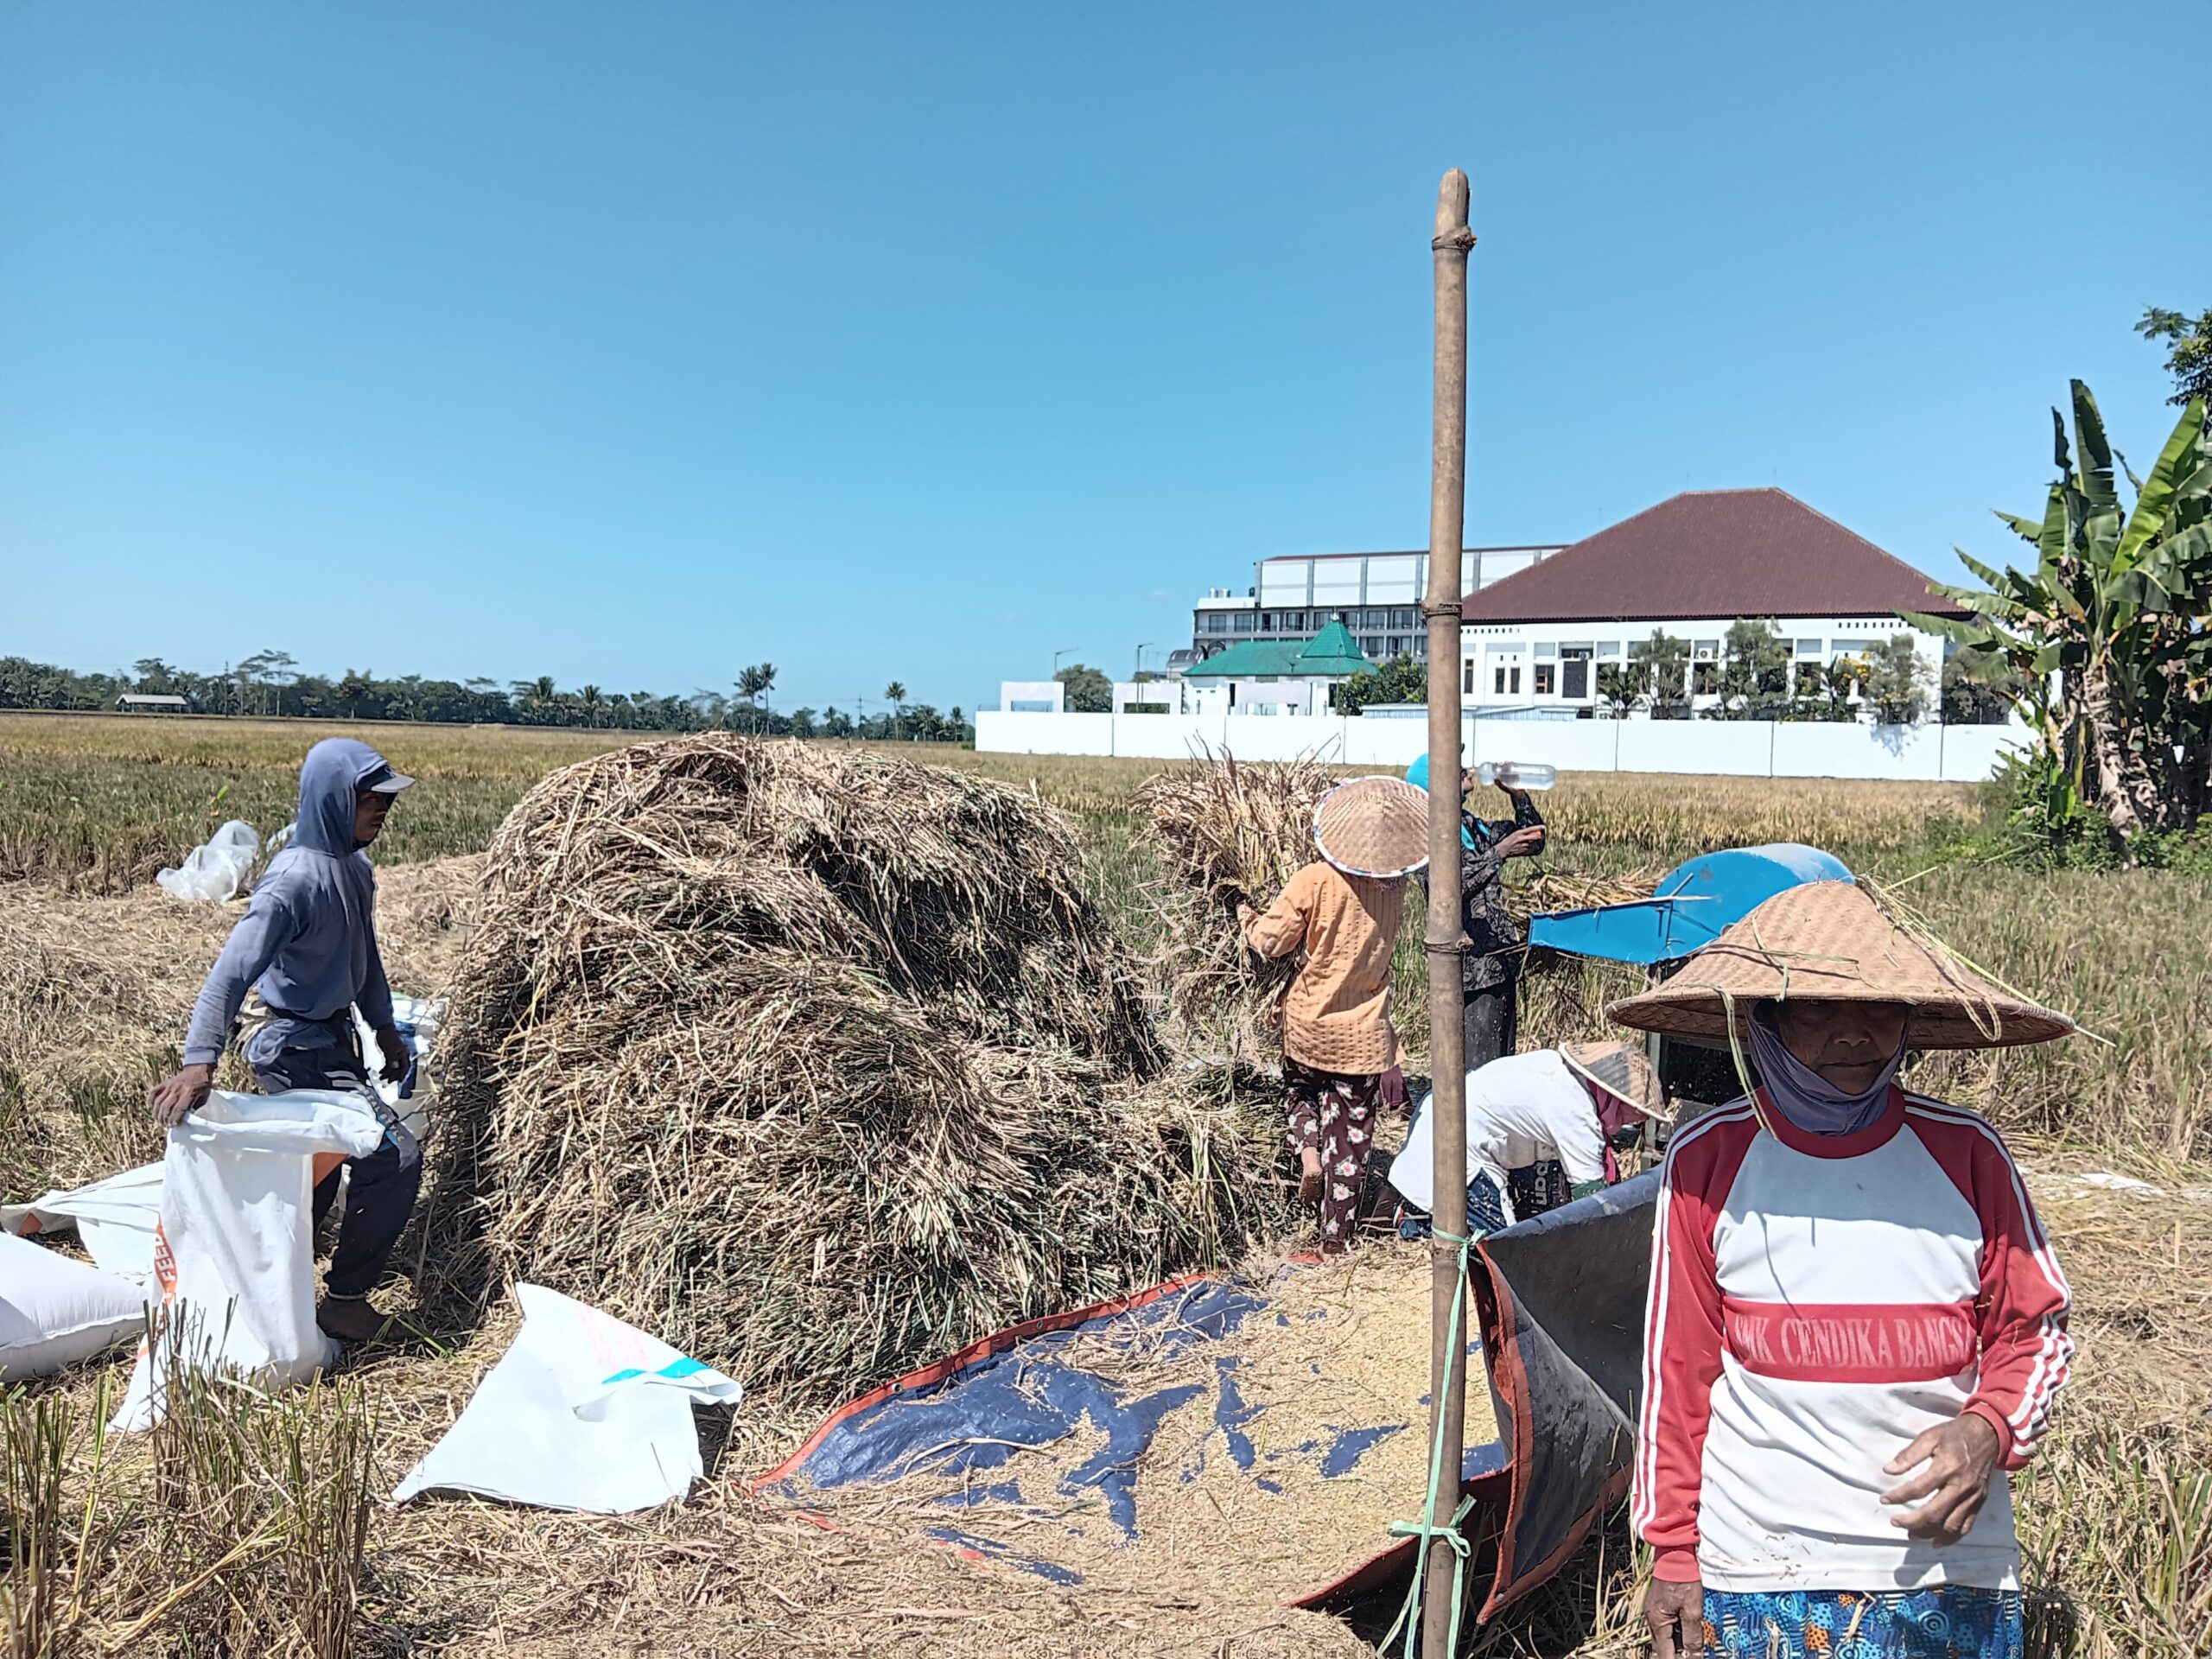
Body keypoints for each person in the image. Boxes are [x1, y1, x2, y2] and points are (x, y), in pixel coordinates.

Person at [1609, 880, 2074, 1659]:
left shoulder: (1966, 1153)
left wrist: (1988, 1430)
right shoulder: (1710, 1158)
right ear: (1764, 1020)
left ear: (1911, 1020)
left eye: (1877, 1007)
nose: (1854, 1034)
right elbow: (1676, 1370)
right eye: (1817, 1008)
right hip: (1760, 1567)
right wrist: (1676, 1552)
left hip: (1943, 1568)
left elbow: (2037, 1332)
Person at [149, 738, 421, 1345]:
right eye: (371, 799)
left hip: (333, 1037)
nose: (383, 810)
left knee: (316, 1167)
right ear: (333, 799)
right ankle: (345, 1301)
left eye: (387, 800)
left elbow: (365, 956)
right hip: (290, 1042)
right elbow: (230, 972)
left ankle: (278, 1286)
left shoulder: (355, 869)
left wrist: (381, 1026)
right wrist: (199, 1062)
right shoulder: (291, 883)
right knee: (393, 1156)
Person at [1241, 775, 1426, 1255]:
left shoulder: (1314, 879)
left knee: (1299, 1092)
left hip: (1308, 1027)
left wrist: (1246, 917)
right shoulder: (1395, 888)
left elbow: (1270, 943)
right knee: (1352, 1137)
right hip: (1364, 1036)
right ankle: (1334, 1242)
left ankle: (1307, 1152)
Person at [1387, 1040, 1661, 1238]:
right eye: (1630, 1117)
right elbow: (1592, 1201)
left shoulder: (1553, 1065)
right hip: (1460, 1148)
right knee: (1505, 1247)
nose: (1627, 1123)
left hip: (1437, 1119)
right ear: (1616, 1099)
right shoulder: (1577, 1112)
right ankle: (1420, 1220)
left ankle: (1416, 1218)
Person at [1406, 752, 1544, 1071]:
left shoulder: (1470, 825)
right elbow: (1447, 890)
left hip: (1500, 962)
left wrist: (1518, 796)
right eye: (1457, 768)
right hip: (1472, 971)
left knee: (1501, 1067)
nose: (1468, 770)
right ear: (1436, 783)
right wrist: (1499, 853)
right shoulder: (1428, 835)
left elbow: (1534, 839)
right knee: (1480, 1071)